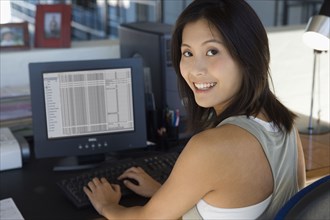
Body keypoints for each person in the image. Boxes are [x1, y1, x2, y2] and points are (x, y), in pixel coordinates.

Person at [83, 0, 306, 219]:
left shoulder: (211, 147)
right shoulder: (285, 124)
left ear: (248, 57)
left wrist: (107, 206)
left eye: (212, 52)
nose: (196, 70)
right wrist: (164, 192)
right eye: (188, 53)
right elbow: (234, 199)